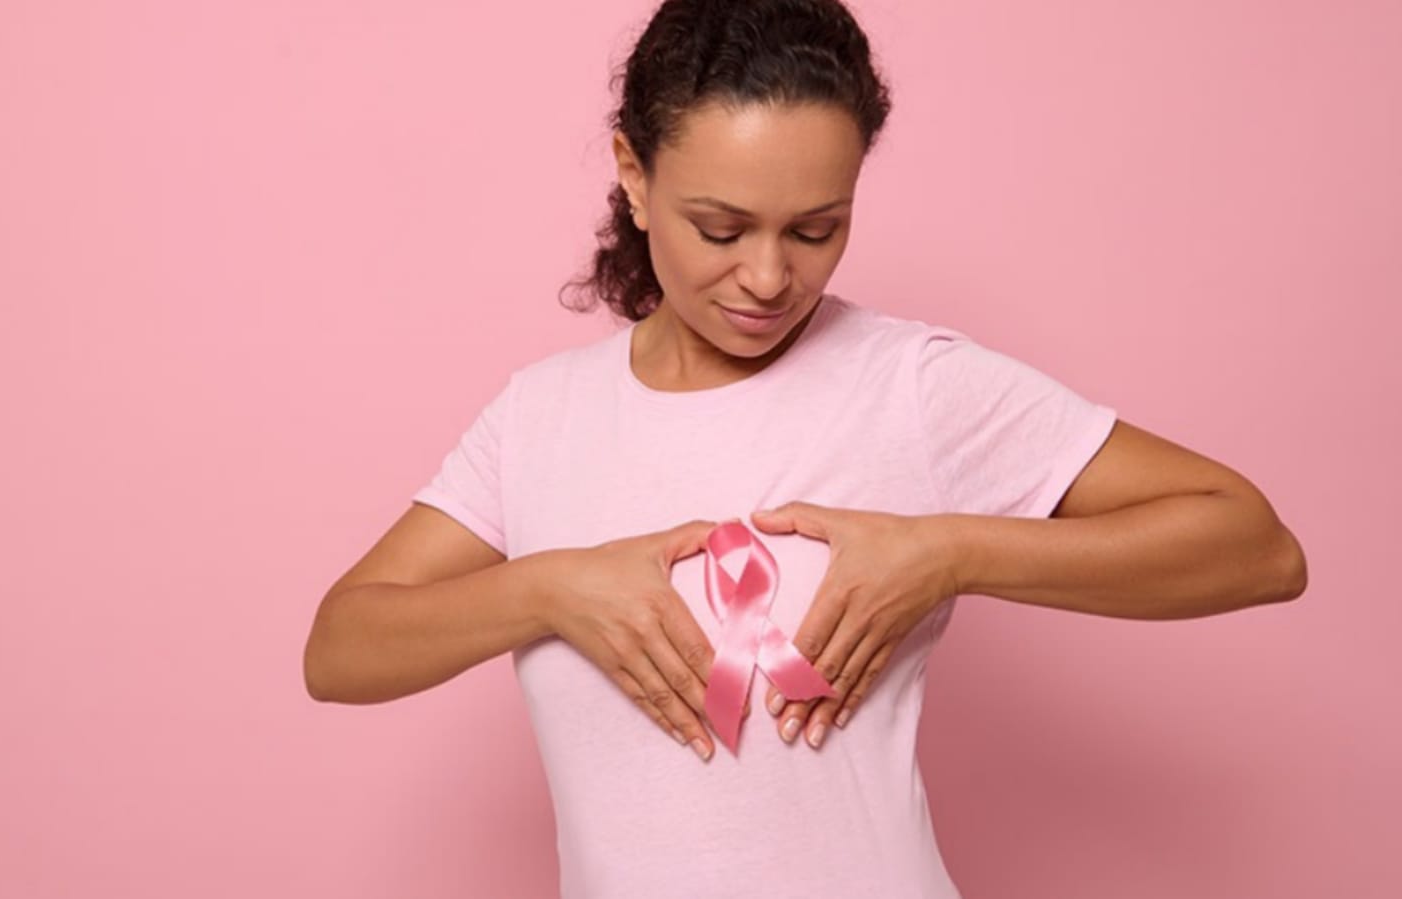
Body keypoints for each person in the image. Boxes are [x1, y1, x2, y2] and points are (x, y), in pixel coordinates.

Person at [303, 0, 1309, 896]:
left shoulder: (908, 384)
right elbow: (342, 646)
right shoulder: (541, 417)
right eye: (721, 226)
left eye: (817, 228)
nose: (769, 276)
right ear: (633, 175)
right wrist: (550, 587)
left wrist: (952, 550)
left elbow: (1256, 547)